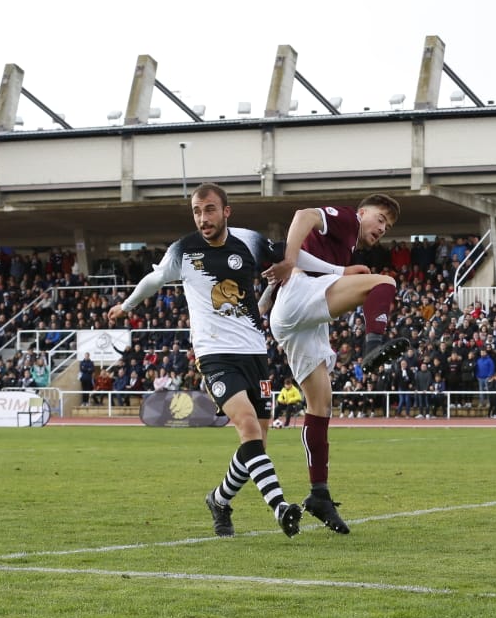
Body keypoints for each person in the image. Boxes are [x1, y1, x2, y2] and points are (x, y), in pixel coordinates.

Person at [108, 182, 303, 538]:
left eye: (210, 209)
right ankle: (279, 507)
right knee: (246, 426)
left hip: (255, 352)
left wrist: (292, 271)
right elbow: (154, 280)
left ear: (226, 211)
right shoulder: (183, 250)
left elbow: (289, 259)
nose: (203, 218)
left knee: (256, 440)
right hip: (214, 355)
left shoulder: (249, 240)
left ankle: (219, 500)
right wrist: (126, 306)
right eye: (197, 211)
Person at [261, 194, 408, 533]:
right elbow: (303, 215)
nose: (383, 228)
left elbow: (303, 260)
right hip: (301, 296)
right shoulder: (347, 219)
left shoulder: (344, 247)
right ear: (361, 213)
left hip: (296, 315)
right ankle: (373, 345)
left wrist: (337, 270)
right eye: (381, 218)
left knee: (321, 405)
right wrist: (288, 260)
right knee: (385, 283)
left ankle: (319, 494)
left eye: (388, 225)